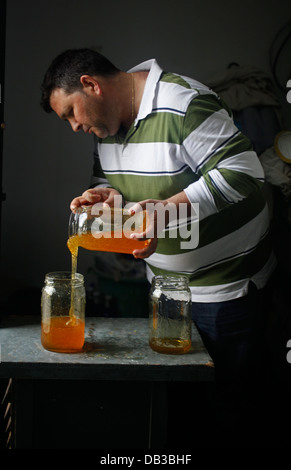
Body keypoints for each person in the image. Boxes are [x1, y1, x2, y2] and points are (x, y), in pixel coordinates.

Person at [41, 49, 276, 445]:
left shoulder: (183, 103)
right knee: (182, 410)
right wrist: (105, 197)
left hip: (226, 290)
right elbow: (112, 182)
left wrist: (169, 210)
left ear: (90, 85)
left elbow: (244, 172)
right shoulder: (107, 128)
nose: (74, 126)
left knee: (231, 412)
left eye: (70, 113)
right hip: (166, 290)